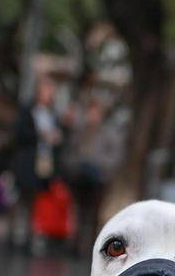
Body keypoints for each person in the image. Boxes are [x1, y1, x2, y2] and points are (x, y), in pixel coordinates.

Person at [9, 76, 64, 249]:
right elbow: (18, 134)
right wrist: (40, 134)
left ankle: (29, 237)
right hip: (27, 164)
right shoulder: (28, 111)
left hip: (44, 163)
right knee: (22, 200)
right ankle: (15, 236)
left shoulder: (53, 115)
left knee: (37, 201)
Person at [64, 95, 124, 253]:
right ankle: (75, 244)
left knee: (94, 215)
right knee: (77, 211)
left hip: (99, 179)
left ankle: (92, 245)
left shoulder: (108, 133)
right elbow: (70, 152)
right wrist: (76, 166)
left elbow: (115, 156)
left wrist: (99, 165)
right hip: (80, 178)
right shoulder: (81, 132)